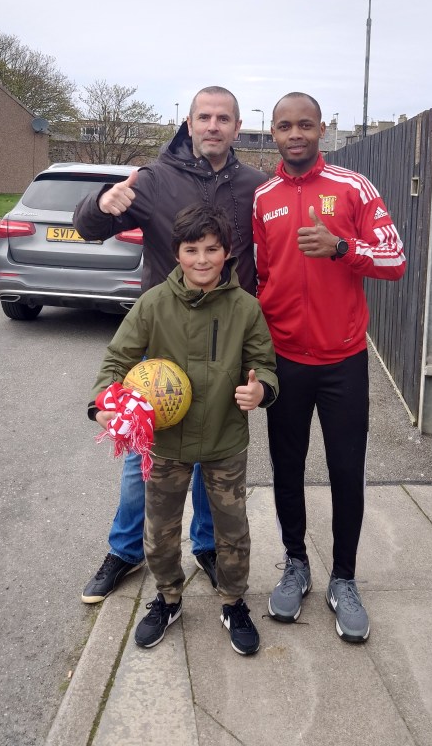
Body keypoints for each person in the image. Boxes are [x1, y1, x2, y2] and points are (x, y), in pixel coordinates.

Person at [74, 86, 265, 603]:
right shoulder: (155, 180)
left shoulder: (255, 186)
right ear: (189, 122)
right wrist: (101, 203)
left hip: (225, 338)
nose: (213, 126)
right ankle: (126, 549)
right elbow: (88, 227)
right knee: (147, 454)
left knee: (213, 451)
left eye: (223, 118)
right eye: (204, 116)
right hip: (163, 339)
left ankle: (207, 546)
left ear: (237, 126)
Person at [88, 204, 278, 655]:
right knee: (160, 530)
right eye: (192, 250)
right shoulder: (153, 304)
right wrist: (102, 404)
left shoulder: (246, 308)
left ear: (227, 252)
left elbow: (264, 364)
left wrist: (261, 391)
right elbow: (116, 360)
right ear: (176, 253)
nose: (202, 259)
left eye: (211, 249)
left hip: (224, 440)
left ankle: (233, 602)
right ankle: (168, 598)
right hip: (166, 443)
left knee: (232, 531)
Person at [252, 92, 406, 643]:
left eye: (305, 125)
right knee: (286, 469)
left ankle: (344, 578)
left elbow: (396, 259)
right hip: (285, 360)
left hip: (344, 360)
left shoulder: (353, 187)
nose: (295, 134)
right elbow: (261, 278)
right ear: (272, 133)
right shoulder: (262, 197)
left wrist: (343, 248)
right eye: (284, 125)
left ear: (321, 130)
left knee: (345, 470)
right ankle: (296, 565)